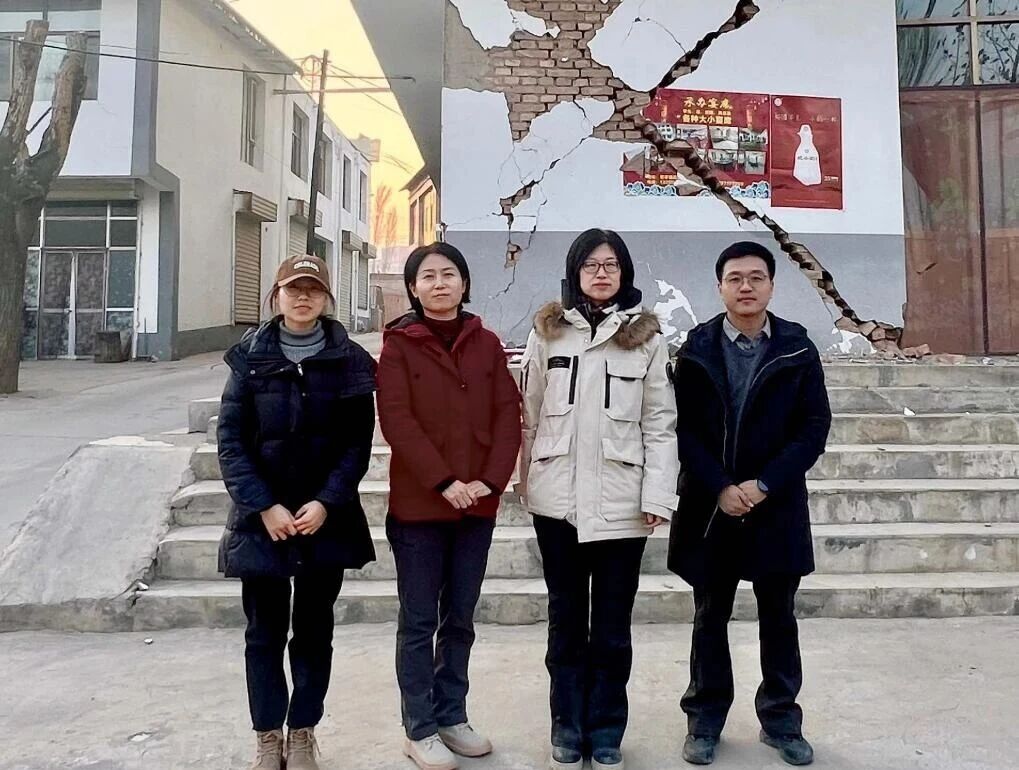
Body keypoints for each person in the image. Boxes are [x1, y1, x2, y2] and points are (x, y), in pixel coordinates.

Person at [519, 228, 679, 770]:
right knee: (565, 623)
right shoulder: (549, 334)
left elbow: (660, 423)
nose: (601, 273)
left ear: (624, 272)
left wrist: (658, 492)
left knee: (611, 628)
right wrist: (527, 483)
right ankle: (566, 726)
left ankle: (607, 730)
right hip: (558, 504)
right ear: (575, 273)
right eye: (591, 265)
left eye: (611, 264)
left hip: (622, 503)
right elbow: (529, 415)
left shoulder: (646, 338)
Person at [668, 242, 831, 767]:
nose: (746, 286)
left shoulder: (797, 349)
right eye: (735, 278)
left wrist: (764, 484)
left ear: (771, 286)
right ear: (720, 287)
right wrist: (721, 485)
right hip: (711, 507)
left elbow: (813, 428)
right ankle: (704, 721)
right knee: (709, 617)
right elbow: (682, 429)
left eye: (756, 277)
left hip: (775, 504)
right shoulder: (696, 349)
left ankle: (781, 721)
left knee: (778, 617)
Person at [217, 254, 377, 770]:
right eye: (293, 288)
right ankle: (268, 736)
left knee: (313, 632)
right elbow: (231, 442)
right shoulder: (250, 357)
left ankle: (303, 731)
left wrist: (327, 501)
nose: (303, 297)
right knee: (263, 634)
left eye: (312, 289)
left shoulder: (349, 359)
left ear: (326, 297)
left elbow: (356, 443)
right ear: (276, 296)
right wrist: (264, 506)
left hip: (324, 521)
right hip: (263, 522)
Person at [376, 242, 522, 770]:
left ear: (464, 283)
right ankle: (418, 728)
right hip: (419, 508)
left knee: (460, 618)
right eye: (428, 276)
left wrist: (489, 481)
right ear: (413, 289)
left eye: (449, 274)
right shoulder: (399, 345)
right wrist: (443, 481)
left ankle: (452, 715)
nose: (440, 283)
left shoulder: (487, 343)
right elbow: (397, 419)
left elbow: (508, 414)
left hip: (476, 507)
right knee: (419, 622)